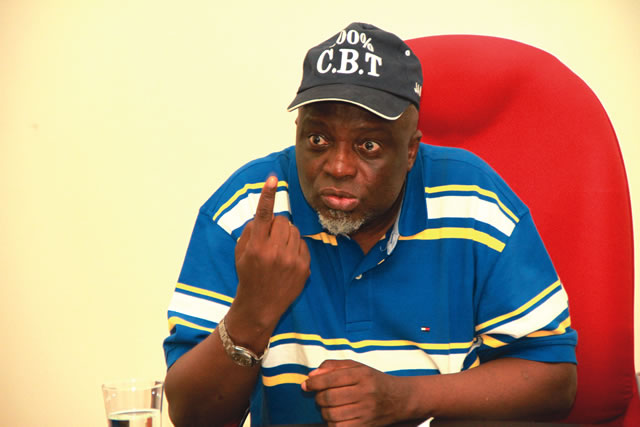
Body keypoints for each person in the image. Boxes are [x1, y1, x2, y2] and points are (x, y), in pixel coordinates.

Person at [163, 22, 577, 426]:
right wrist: (253, 310)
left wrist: (405, 398)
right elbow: (192, 416)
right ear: (297, 131)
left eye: (368, 145)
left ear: (411, 151)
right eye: (318, 139)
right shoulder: (246, 211)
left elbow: (555, 380)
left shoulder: (474, 201)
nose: (339, 166)